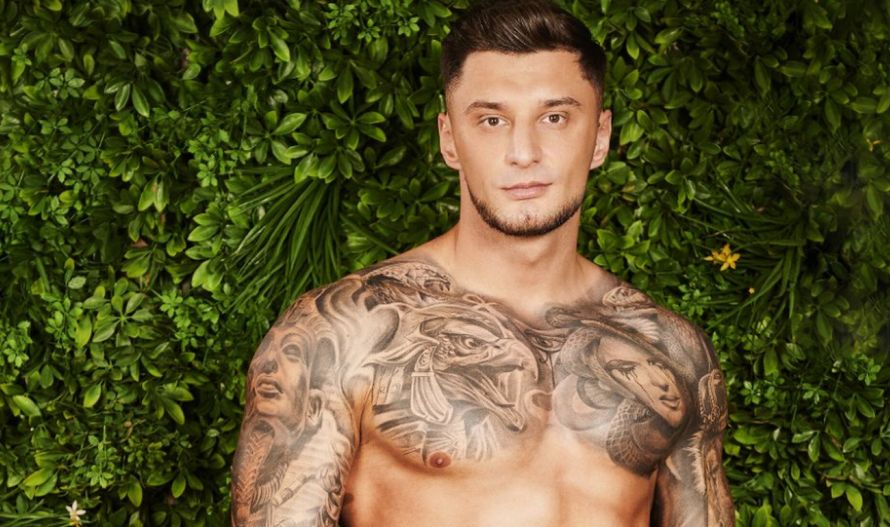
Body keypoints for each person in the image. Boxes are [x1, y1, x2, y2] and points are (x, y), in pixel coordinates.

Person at [231, 0, 735, 525]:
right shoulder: (346, 332)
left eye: (555, 117)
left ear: (600, 137)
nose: (524, 152)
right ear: (450, 140)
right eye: (492, 120)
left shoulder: (672, 351)